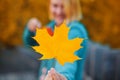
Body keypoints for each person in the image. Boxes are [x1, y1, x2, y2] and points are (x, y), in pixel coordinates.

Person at [23, 0, 89, 80]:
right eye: (55, 5)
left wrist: (62, 77)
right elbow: (30, 42)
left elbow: (67, 59)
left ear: (72, 7)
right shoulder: (52, 27)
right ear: (49, 5)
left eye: (64, 6)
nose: (58, 12)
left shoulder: (74, 31)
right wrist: (30, 30)